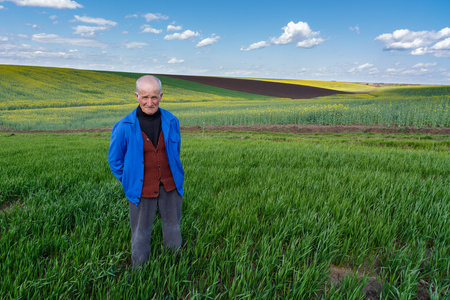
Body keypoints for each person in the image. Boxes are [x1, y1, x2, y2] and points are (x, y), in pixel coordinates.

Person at [108, 75, 184, 268]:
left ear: (161, 95)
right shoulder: (124, 126)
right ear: (136, 96)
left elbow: (175, 152)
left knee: (173, 229)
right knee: (141, 233)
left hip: (170, 185)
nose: (150, 102)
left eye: (154, 97)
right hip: (140, 189)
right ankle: (140, 270)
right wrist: (130, 180)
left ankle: (173, 265)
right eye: (145, 97)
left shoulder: (171, 120)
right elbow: (115, 161)